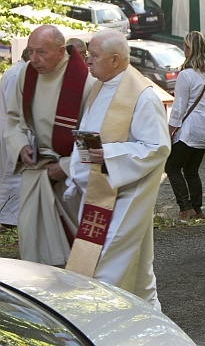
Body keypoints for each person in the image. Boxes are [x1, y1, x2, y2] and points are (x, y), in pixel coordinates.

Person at [65, 29, 171, 309]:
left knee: (104, 263)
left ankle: (96, 319)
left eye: (94, 56)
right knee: (136, 266)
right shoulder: (100, 85)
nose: (87, 61)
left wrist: (110, 154)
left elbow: (158, 147)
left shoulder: (143, 96)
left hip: (125, 195)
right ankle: (147, 317)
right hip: (100, 190)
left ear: (114, 59)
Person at [4, 25, 94, 266]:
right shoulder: (27, 74)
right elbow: (12, 119)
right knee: (33, 240)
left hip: (69, 177)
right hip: (36, 170)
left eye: (41, 52)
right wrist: (21, 145)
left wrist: (66, 166)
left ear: (60, 49)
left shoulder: (84, 81)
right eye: (30, 51)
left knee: (72, 250)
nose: (34, 59)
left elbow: (94, 134)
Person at [165, 31, 205, 221]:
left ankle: (185, 208)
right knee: (191, 170)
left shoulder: (186, 75)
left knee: (172, 167)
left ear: (189, 49)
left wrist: (170, 129)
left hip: (189, 129)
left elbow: (179, 106)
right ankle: (197, 209)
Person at [0, 48, 30, 232]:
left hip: (10, 128)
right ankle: (8, 218)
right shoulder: (17, 74)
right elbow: (15, 108)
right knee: (11, 173)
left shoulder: (16, 71)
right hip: (10, 128)